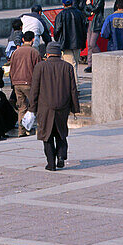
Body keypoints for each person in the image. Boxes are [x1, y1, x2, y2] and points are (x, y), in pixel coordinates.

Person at [28, 42, 80, 171]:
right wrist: (75, 108)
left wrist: (32, 108)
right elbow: (73, 89)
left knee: (47, 135)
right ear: (60, 53)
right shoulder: (67, 67)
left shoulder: (40, 67)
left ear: (48, 53)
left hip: (45, 108)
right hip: (63, 107)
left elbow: (34, 89)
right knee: (61, 133)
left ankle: (51, 163)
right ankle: (61, 156)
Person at [9, 31, 41, 134]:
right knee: (36, 105)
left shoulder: (16, 52)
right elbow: (39, 69)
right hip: (29, 82)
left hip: (17, 83)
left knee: (22, 107)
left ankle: (21, 131)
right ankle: (38, 128)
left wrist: (13, 82)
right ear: (33, 39)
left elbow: (11, 69)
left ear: (23, 39)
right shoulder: (34, 52)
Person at [53, 0, 88, 85]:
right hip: (78, 42)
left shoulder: (61, 15)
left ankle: (74, 86)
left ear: (63, 4)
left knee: (70, 65)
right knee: (74, 64)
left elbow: (57, 30)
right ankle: (73, 85)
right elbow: (84, 29)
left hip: (66, 44)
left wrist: (58, 41)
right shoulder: (79, 13)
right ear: (72, 3)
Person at [84, 0, 106, 72]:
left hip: (96, 23)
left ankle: (101, 59)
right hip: (89, 21)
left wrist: (90, 6)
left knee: (92, 44)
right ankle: (90, 64)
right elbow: (85, 11)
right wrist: (90, 12)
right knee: (89, 44)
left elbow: (95, 9)